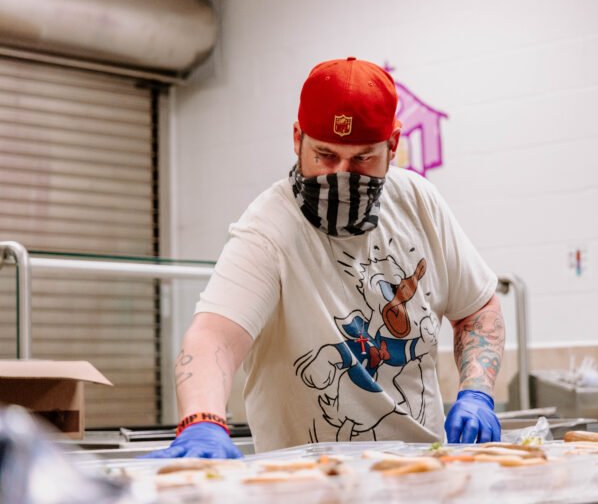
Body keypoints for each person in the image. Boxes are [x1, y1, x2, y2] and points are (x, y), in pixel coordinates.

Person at [145, 57, 505, 459]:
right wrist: (203, 422)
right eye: (325, 156)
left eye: (362, 159)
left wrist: (476, 390)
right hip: (309, 485)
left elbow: (477, 307)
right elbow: (215, 337)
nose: (341, 175)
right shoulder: (269, 229)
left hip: (421, 476)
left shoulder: (418, 202)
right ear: (297, 138)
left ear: (392, 145)